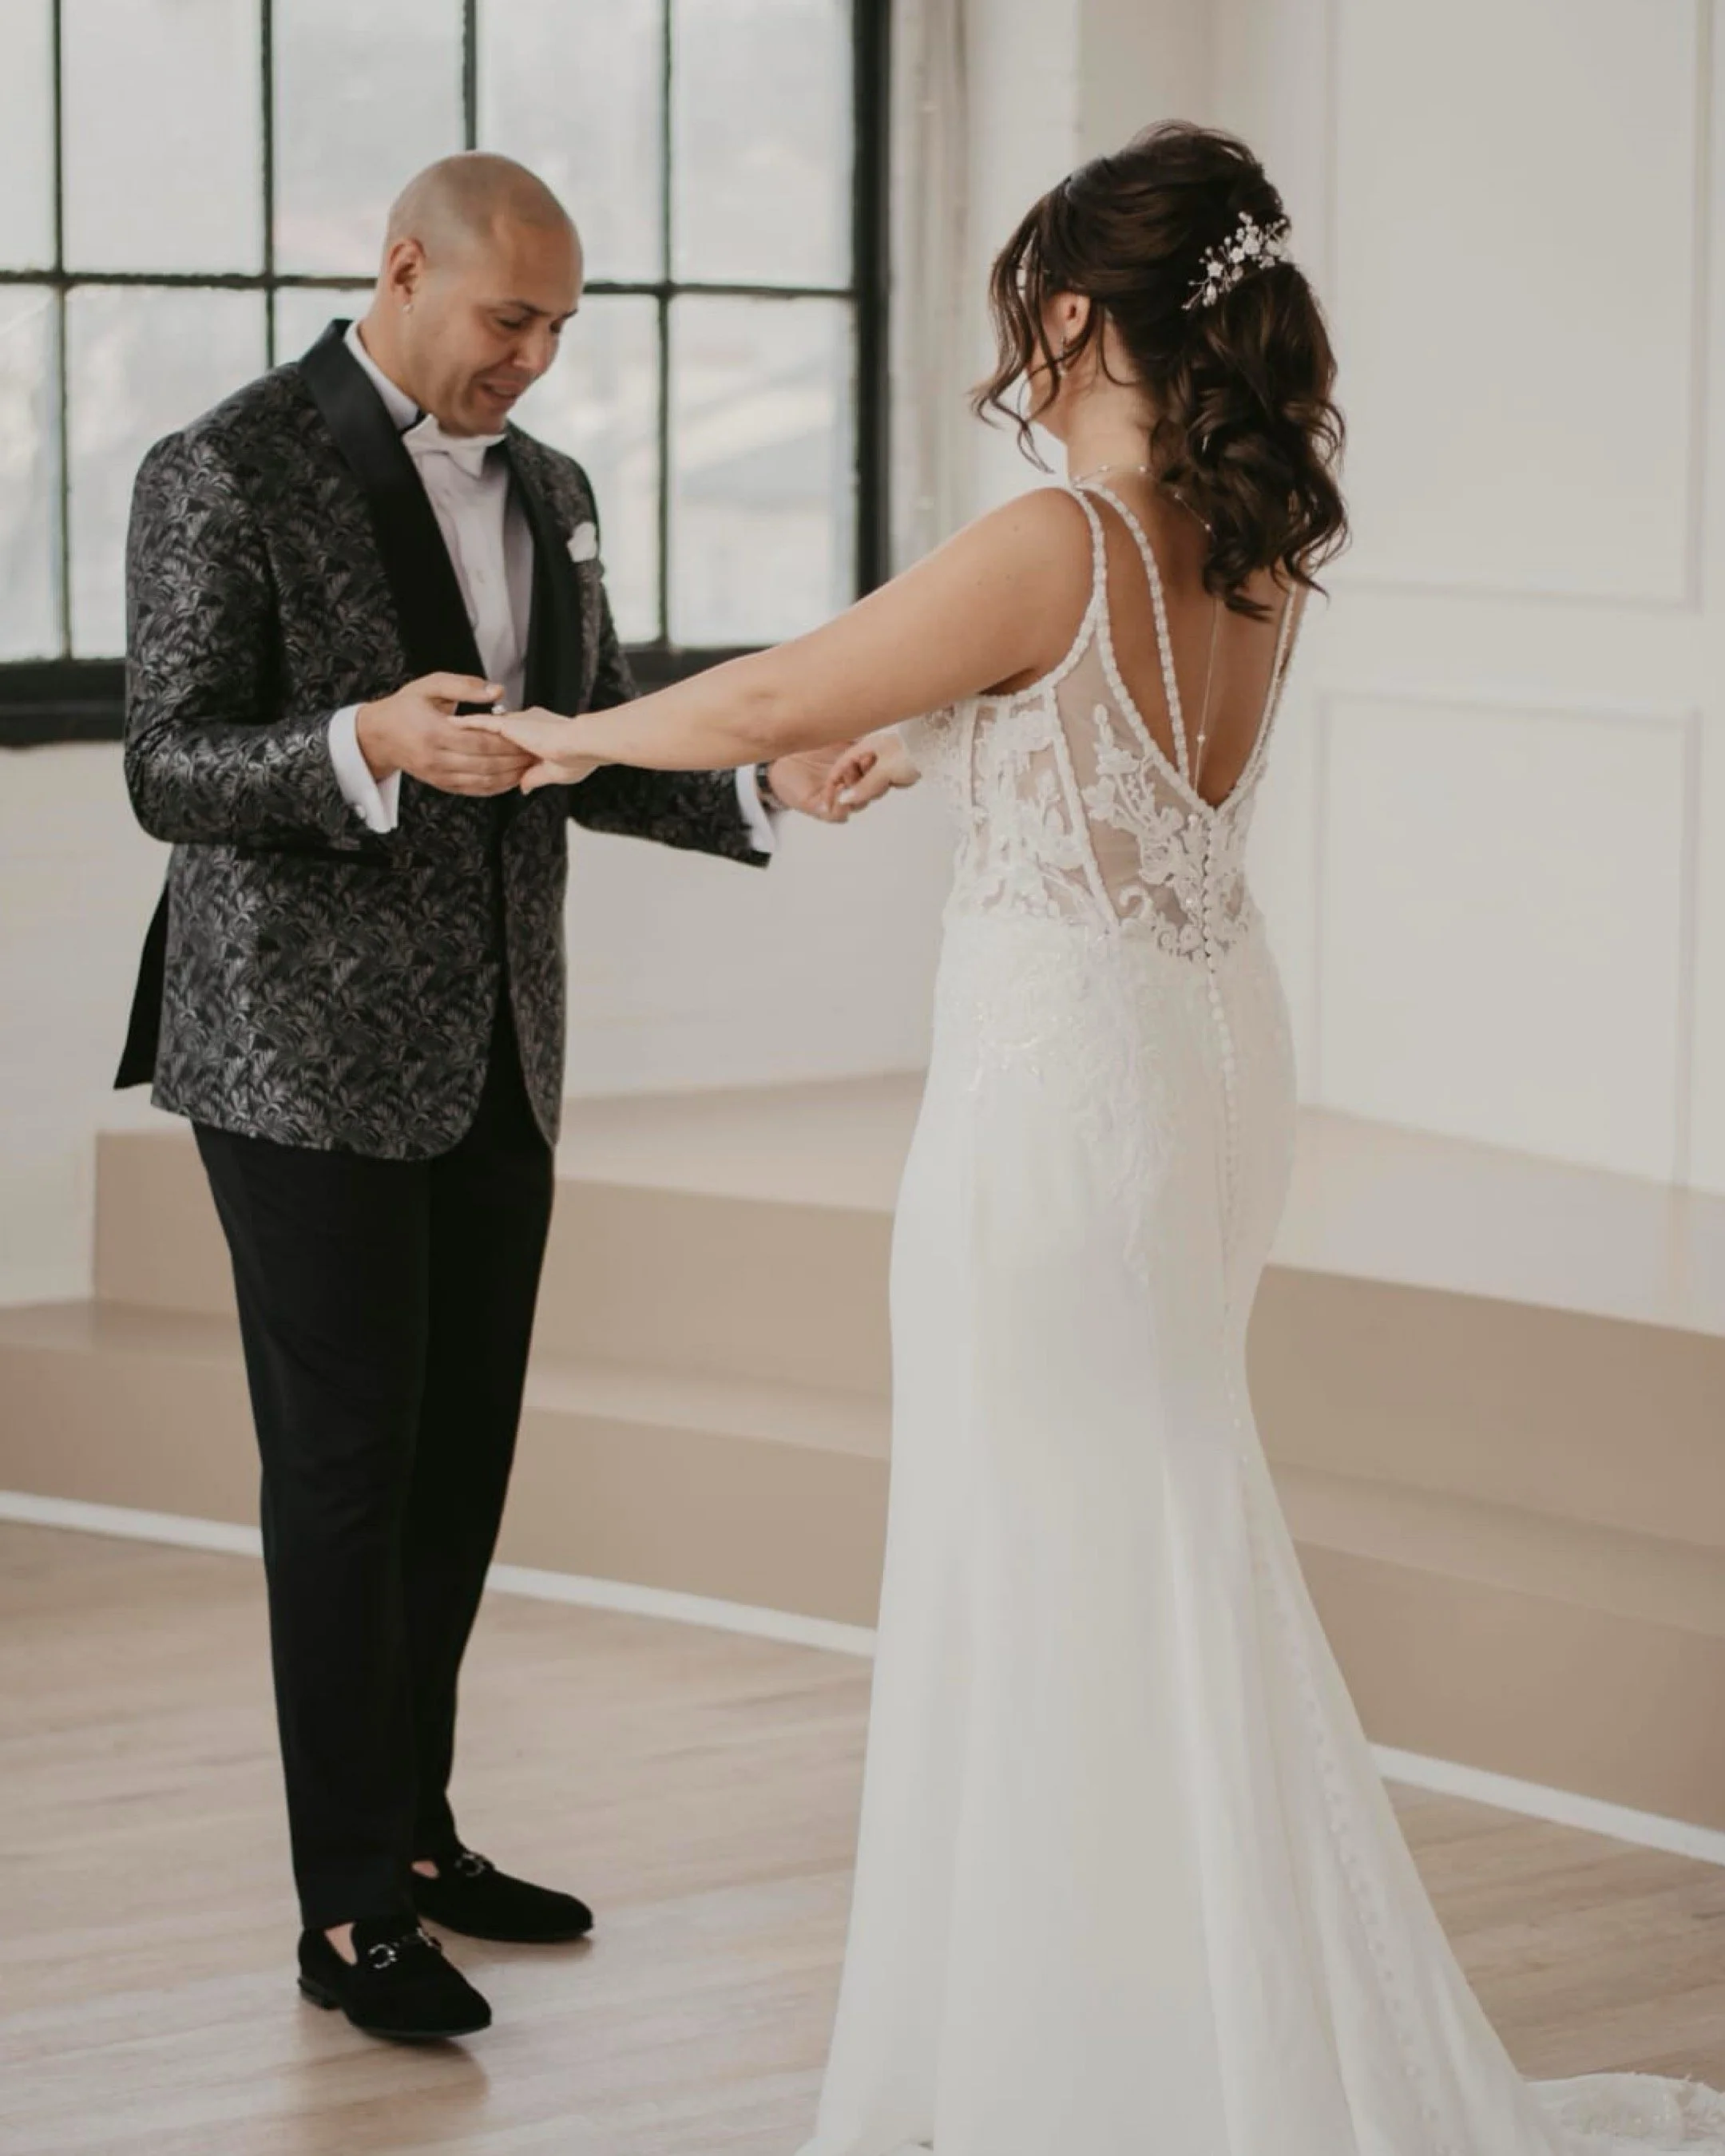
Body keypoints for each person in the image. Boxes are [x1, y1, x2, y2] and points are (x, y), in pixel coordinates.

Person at [481, 125, 1725, 2153]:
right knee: (1144, 1524)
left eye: (1026, 316)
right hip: (1207, 1064)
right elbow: (1073, 737)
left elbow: (784, 683)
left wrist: (569, 738)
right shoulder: (1244, 543)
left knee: (1052, 1545)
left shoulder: (1066, 531)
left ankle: (1087, 2061)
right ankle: (1166, 2023)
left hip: (1062, 1097)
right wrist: (930, 730)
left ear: (1073, 312)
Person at [115, 151, 863, 2045]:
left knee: (456, 1472)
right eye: (507, 320)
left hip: (502, 1053)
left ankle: (423, 1842)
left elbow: (585, 736)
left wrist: (768, 788)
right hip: (289, 1059)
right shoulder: (226, 463)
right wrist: (361, 740)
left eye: (558, 330)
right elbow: (173, 767)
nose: (534, 362)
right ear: (403, 272)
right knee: (347, 1482)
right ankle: (347, 1912)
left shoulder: (557, 490)